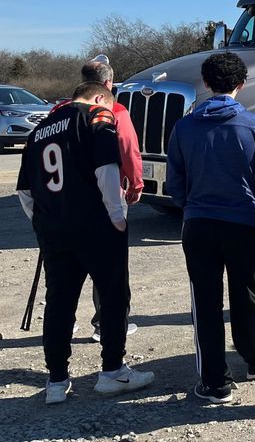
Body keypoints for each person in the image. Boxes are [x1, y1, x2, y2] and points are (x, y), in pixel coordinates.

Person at [16, 82, 154, 405]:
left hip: (54, 230)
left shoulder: (38, 131)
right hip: (96, 226)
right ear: (99, 98)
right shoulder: (97, 117)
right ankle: (112, 371)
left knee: (59, 302)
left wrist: (43, 222)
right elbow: (106, 169)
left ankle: (56, 379)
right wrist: (117, 216)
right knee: (113, 296)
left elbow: (25, 191)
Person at [166, 53, 255, 404]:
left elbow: (175, 181)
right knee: (247, 291)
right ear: (241, 84)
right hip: (242, 221)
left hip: (199, 222)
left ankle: (215, 382)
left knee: (205, 300)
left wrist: (189, 204)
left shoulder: (184, 127)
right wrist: (252, 200)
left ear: (206, 82)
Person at [78, 57, 143, 342]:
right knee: (110, 262)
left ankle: (64, 320)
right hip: (107, 195)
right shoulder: (116, 110)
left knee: (67, 262)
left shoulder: (61, 110)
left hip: (66, 199)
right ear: (108, 83)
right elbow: (128, 148)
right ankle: (106, 322)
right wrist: (136, 182)